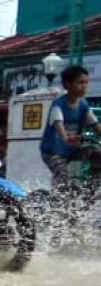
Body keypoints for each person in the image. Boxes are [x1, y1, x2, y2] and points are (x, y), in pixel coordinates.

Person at [41, 64, 101, 196]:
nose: (84, 86)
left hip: (72, 151)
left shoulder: (84, 105)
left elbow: (96, 125)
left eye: (86, 82)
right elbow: (59, 125)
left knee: (96, 151)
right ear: (67, 84)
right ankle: (58, 202)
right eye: (80, 82)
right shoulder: (59, 105)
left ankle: (92, 190)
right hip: (53, 153)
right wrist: (67, 138)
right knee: (64, 178)